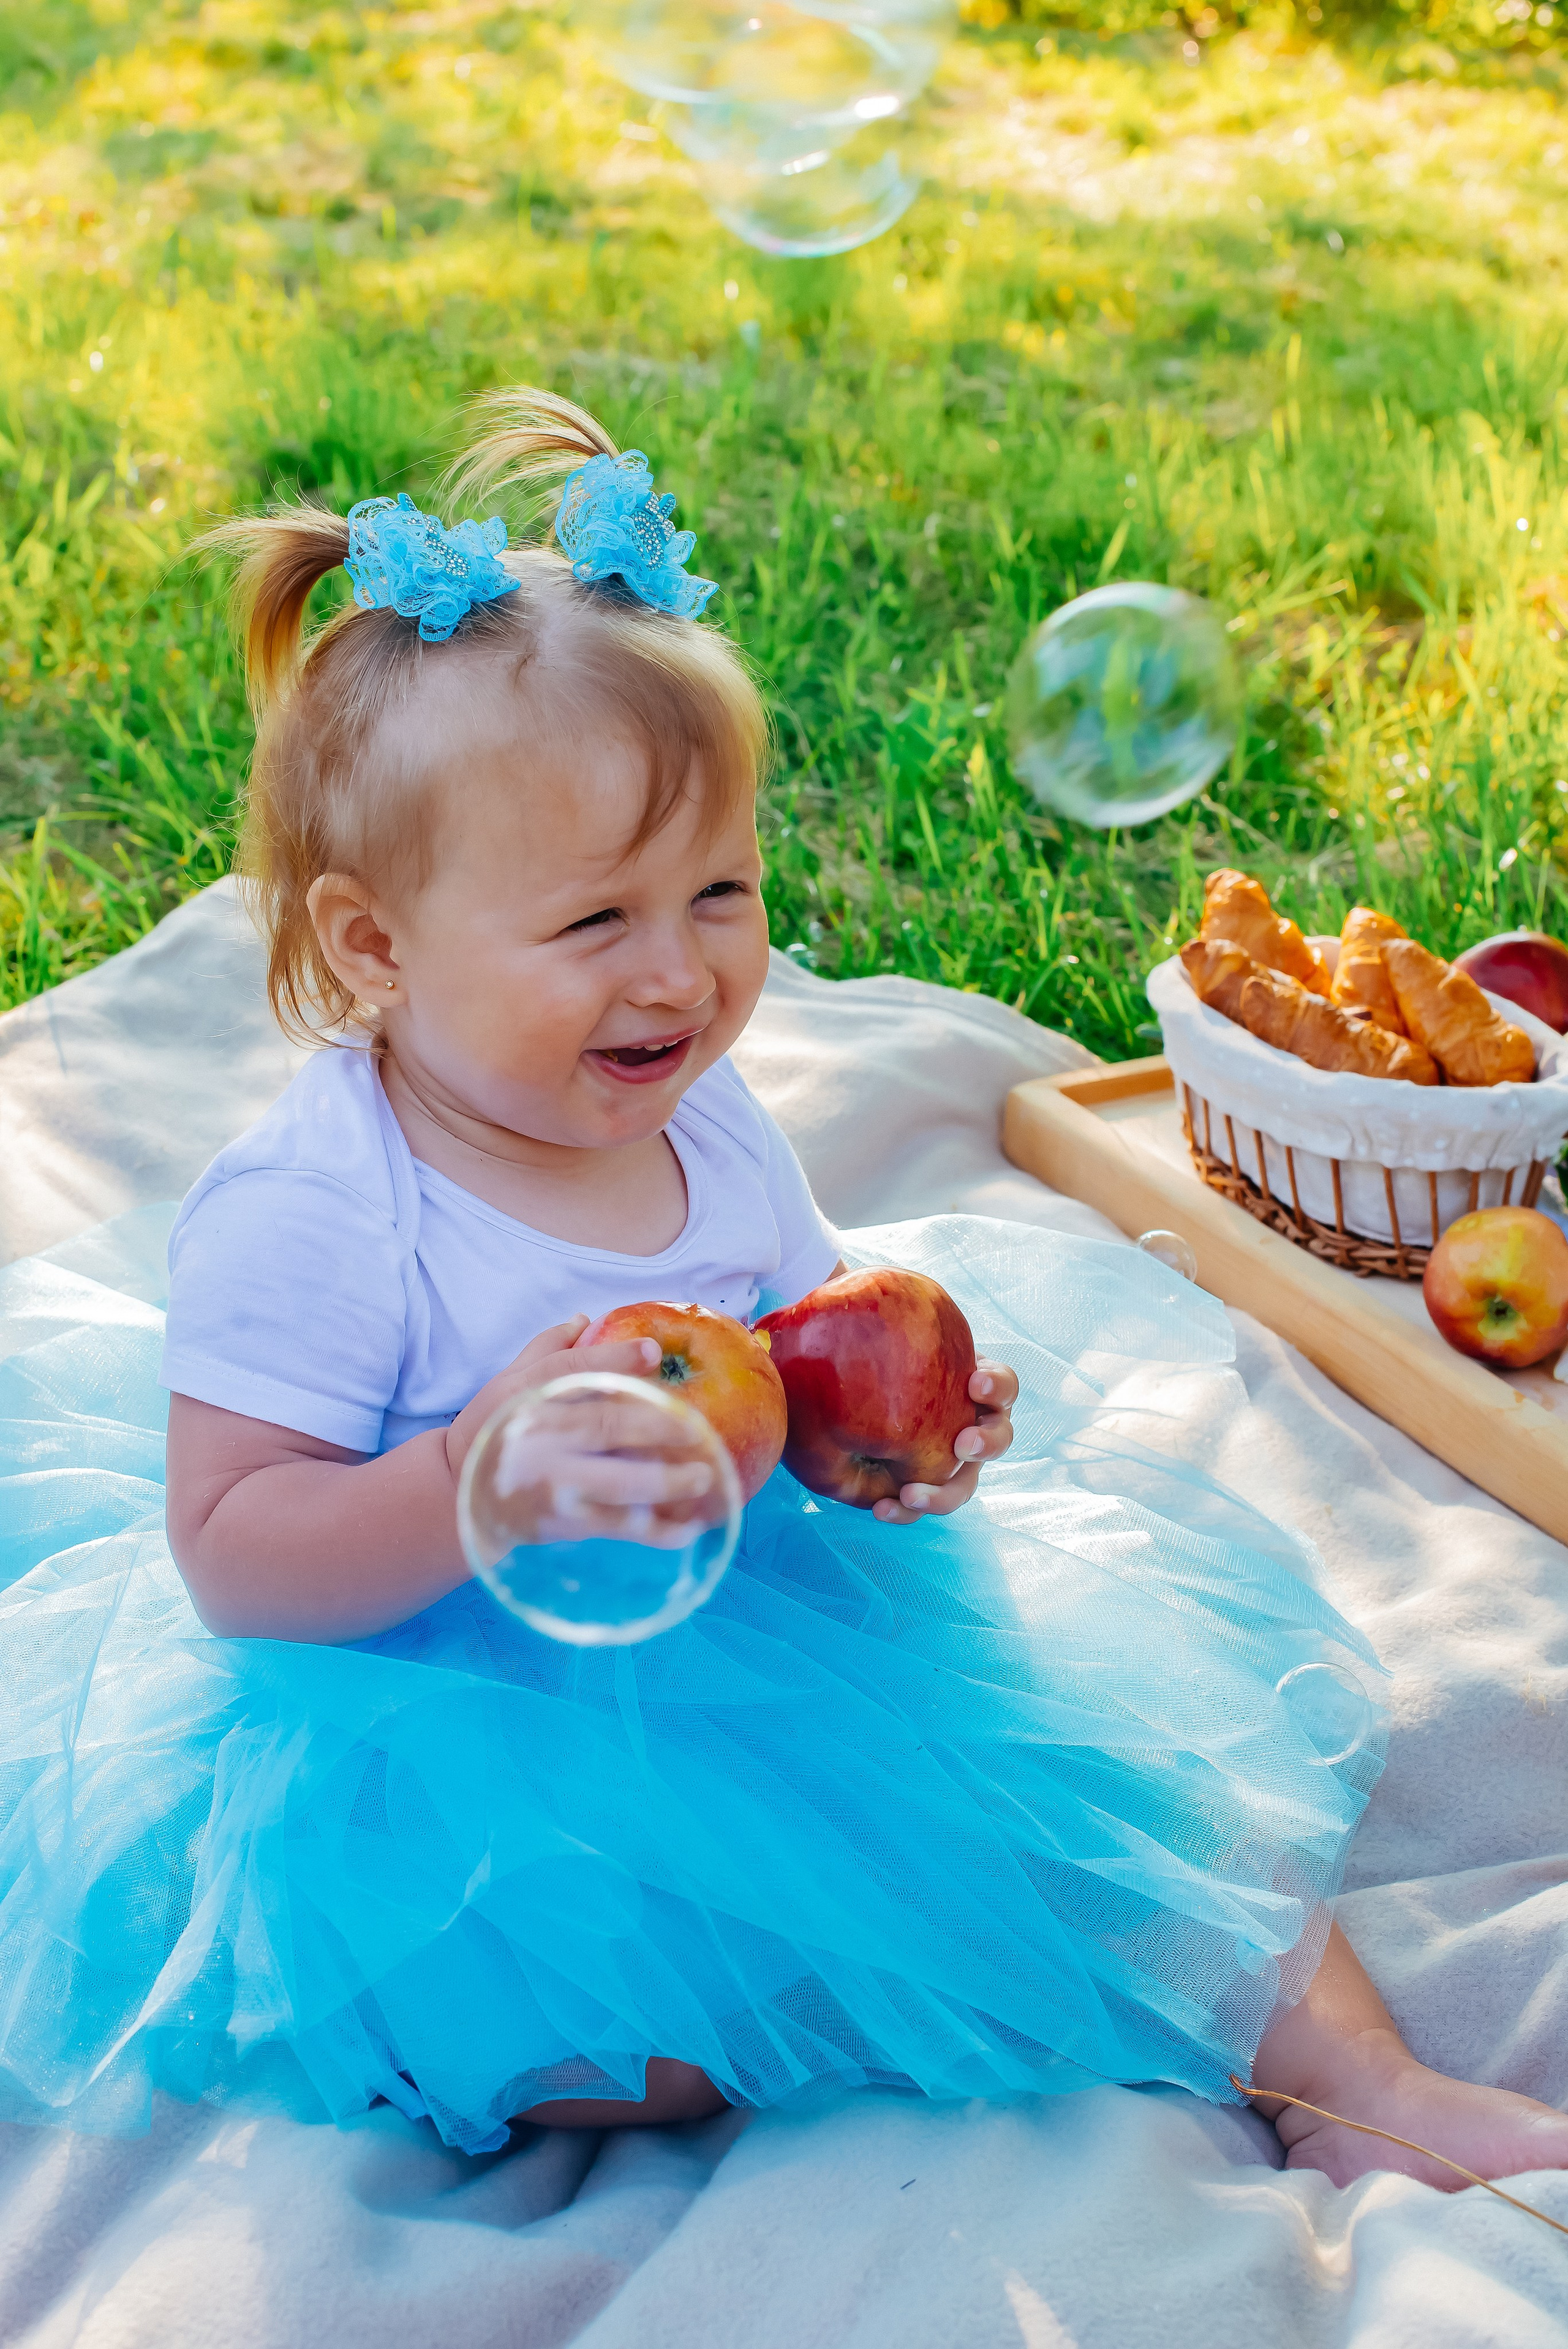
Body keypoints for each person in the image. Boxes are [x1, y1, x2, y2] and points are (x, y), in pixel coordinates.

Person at [0, 388, 1563, 2193]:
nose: (683, 971)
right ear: (373, 946)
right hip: (446, 1703)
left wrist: (888, 1434)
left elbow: (803, 1325)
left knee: (1129, 1794)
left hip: (783, 1633)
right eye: (597, 923)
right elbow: (236, 1551)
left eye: (722, 890)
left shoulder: (709, 1114)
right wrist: (473, 1479)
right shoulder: (320, 1211)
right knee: (582, 2022)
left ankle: (1365, 2081)